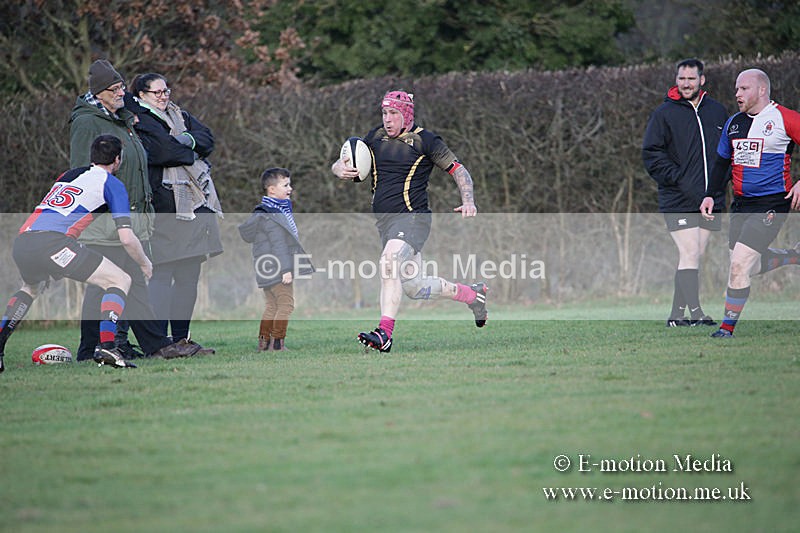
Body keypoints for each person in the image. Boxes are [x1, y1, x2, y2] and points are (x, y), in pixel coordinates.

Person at [331, 90, 488, 353]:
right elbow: (341, 161)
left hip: (414, 218)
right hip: (385, 223)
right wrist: (339, 169)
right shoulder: (375, 137)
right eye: (384, 113)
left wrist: (468, 200)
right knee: (414, 286)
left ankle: (385, 334)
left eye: (393, 113)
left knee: (388, 262)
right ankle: (473, 295)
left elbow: (458, 170)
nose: (388, 119)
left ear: (406, 114)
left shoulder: (425, 140)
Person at [69, 59, 199, 360]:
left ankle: (155, 346)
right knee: (103, 286)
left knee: (135, 285)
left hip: (130, 217)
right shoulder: (87, 122)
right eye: (114, 89)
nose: (121, 93)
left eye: (122, 87)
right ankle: (90, 350)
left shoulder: (123, 120)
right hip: (105, 220)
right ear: (99, 92)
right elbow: (80, 172)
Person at [0, 135, 150, 372]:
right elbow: (127, 238)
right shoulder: (111, 184)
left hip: (24, 241)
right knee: (120, 280)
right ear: (118, 159)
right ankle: (108, 347)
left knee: (29, 289)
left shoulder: (68, 176)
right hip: (53, 244)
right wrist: (145, 264)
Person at [700, 68, 800, 338]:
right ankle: (792, 256)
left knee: (739, 265)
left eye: (744, 88)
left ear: (762, 90)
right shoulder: (734, 123)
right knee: (748, 266)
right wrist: (710, 194)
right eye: (736, 89)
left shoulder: (784, 118)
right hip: (741, 205)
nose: (737, 94)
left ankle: (726, 329)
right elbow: (721, 163)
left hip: (772, 203)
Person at [128, 73, 222, 355]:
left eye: (166, 90)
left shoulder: (180, 115)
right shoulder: (138, 119)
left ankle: (182, 339)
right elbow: (159, 152)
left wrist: (184, 141)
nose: (163, 96)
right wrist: (189, 149)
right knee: (162, 274)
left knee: (189, 276)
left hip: (193, 208)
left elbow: (207, 139)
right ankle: (160, 342)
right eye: (156, 92)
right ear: (141, 95)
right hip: (164, 209)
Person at [643, 58, 729, 327]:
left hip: (711, 200)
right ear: (676, 80)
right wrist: (678, 178)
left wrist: (720, 186)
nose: (686, 83)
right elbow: (651, 153)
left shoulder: (717, 112)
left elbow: (728, 152)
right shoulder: (664, 114)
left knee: (695, 254)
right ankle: (696, 313)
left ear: (702, 80)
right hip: (677, 198)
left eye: (691, 79)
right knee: (690, 251)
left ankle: (675, 316)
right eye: (682, 79)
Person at [238, 168, 314, 351]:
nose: (290, 188)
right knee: (286, 305)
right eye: (285, 185)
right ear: (271, 190)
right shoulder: (274, 215)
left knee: (272, 305)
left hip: (266, 268)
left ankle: (264, 344)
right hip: (278, 268)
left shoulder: (265, 213)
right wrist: (286, 270)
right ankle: (278, 344)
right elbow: (279, 245)